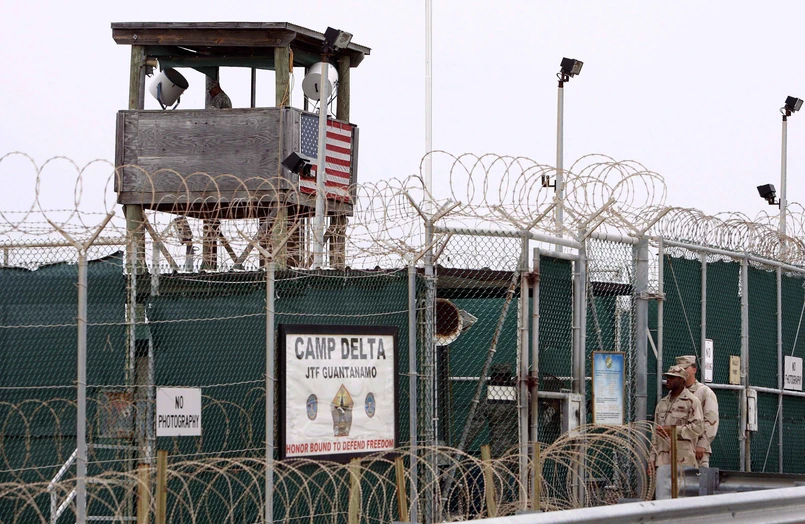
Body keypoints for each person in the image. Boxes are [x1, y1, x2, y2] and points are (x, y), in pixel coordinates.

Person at [650, 365, 703, 498]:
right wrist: (652, 459)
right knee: (663, 498)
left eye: (672, 377)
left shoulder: (691, 401)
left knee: (684, 498)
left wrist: (674, 431)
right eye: (667, 377)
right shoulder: (662, 404)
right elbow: (655, 434)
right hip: (663, 460)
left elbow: (697, 427)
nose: (668, 380)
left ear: (681, 380)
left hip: (683, 460)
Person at [676, 355, 719, 468]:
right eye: (680, 369)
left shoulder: (704, 392)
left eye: (685, 368)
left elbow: (711, 420)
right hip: (678, 448)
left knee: (699, 478)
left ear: (694, 370)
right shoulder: (676, 393)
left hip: (696, 449)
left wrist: (703, 444)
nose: (682, 372)